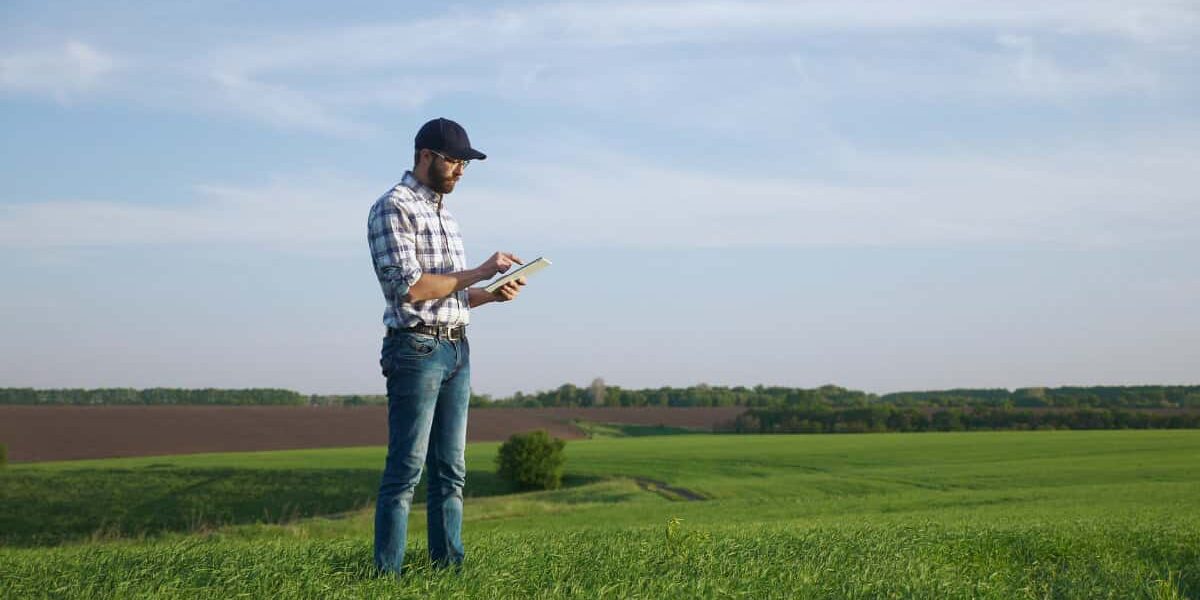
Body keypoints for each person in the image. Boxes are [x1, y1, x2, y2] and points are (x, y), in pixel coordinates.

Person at [367, 117, 525, 575]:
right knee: (405, 474)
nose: (460, 170)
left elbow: (449, 291)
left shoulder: (444, 214)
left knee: (450, 473)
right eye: (454, 160)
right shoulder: (393, 207)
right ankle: (386, 576)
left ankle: (448, 571)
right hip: (415, 351)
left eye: (464, 164)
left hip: (457, 349)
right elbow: (410, 289)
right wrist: (479, 272)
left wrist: (491, 294)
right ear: (425, 156)